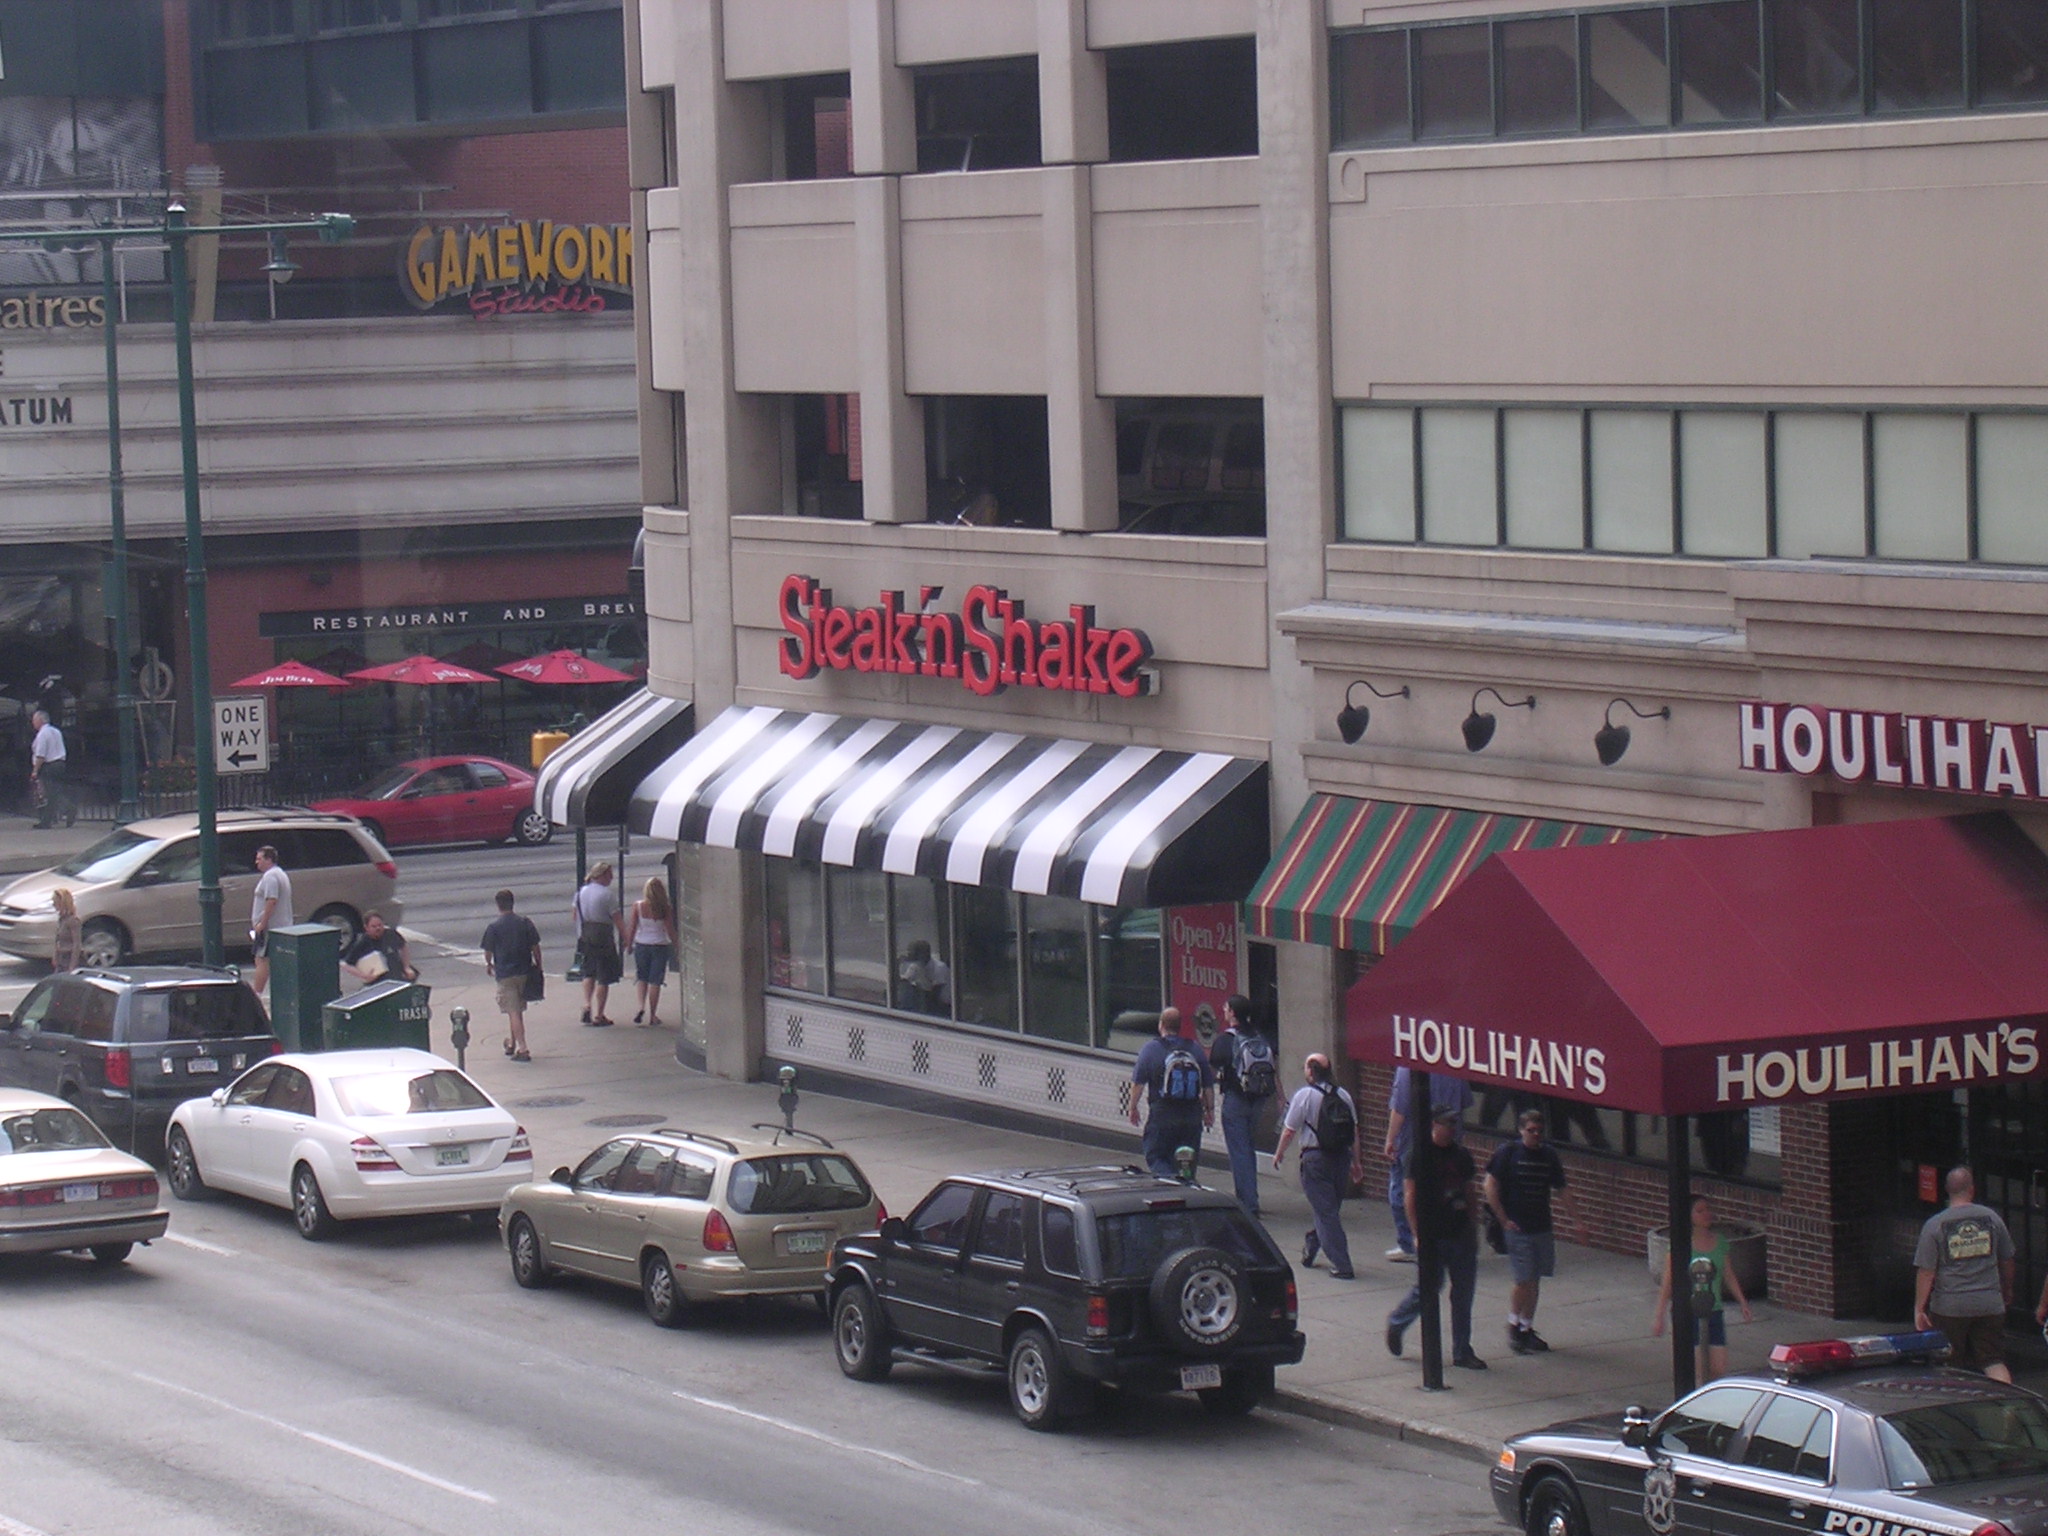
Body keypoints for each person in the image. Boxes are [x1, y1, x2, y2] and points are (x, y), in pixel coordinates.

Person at [1387, 1108, 1486, 1369]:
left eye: (1455, 1123)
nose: (1452, 1128)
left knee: (1463, 1294)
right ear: (1434, 1125)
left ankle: (1462, 1351)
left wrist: (1473, 1225)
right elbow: (1410, 1195)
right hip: (1434, 1235)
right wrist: (1417, 1234)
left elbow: (1469, 1190)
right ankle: (1397, 1323)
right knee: (1428, 1289)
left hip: (1460, 1233)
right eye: (1447, 1123)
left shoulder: (1461, 1155)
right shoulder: (1420, 1155)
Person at [1484, 1108, 1585, 1354]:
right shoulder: (1508, 1153)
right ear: (1521, 1130)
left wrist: (1577, 1221)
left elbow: (1562, 1189)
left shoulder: (1548, 1156)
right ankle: (1513, 1324)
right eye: (1531, 1131)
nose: (1536, 1135)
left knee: (1535, 1279)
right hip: (1517, 1227)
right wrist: (1503, 1218)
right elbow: (1490, 1184)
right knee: (1523, 1279)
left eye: (1539, 1131)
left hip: (1541, 1226)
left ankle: (1526, 1327)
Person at [1914, 1165, 2015, 1382]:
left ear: (1947, 1191)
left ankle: (1954, 1409)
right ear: (1972, 1189)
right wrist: (2007, 1290)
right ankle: (2007, 1408)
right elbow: (2007, 1259)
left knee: (1948, 1363)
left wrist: (1919, 1308)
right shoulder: (1992, 1219)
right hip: (1989, 1303)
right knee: (1993, 1360)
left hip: (1950, 1308)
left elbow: (1926, 1272)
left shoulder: (1935, 1225)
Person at [1273, 1053, 1363, 1281]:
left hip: (1315, 1161)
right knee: (1328, 1210)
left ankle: (1343, 1265)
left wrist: (1279, 1153)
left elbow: (1289, 1130)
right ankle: (1312, 1246)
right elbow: (1354, 1133)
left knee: (1326, 1213)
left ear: (1311, 1072)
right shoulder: (1344, 1095)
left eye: (1305, 1067)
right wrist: (1356, 1162)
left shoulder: (1304, 1096)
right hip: (1340, 1159)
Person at [1653, 1195, 1754, 1383]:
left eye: (1708, 1209)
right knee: (1698, 1370)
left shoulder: (1720, 1241)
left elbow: (1728, 1274)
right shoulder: (1680, 1244)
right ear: (1689, 1216)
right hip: (1688, 1311)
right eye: (1700, 1211)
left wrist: (1742, 1302)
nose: (1707, 1214)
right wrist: (1660, 1315)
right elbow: (1668, 1280)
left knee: (1718, 1368)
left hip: (1714, 1309)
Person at [1383, 1067, 1474, 1263]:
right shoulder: (1454, 1065)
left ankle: (1410, 1242)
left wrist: (1390, 1138)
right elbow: (1465, 1102)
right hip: (1450, 1144)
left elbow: (1400, 1108)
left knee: (1402, 1191)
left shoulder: (1407, 1069)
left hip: (1412, 1140)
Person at [1126, 1007, 1214, 1179]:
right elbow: (1208, 1085)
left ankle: (1171, 1183)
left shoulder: (1151, 1049)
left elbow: (1138, 1083)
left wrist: (1132, 1108)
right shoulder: (1194, 1048)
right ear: (1180, 1026)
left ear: (1161, 1025)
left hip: (1163, 1113)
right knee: (1187, 1160)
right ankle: (1187, 1186)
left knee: (1156, 1155)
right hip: (1191, 1114)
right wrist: (1209, 1111)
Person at [1209, 994, 1275, 1215]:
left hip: (1236, 1100)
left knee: (1240, 1151)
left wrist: (1204, 1101)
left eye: (1227, 1008)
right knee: (1247, 1147)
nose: (1224, 1011)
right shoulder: (1259, 1037)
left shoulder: (1226, 1040)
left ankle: (1248, 1204)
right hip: (1258, 1100)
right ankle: (1250, 1196)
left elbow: (1212, 1070)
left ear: (1233, 1013)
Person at [481, 888, 542, 1063]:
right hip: (524, 971)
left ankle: (522, 1048)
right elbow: (535, 947)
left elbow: (488, 951)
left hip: (506, 974)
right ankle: (512, 1044)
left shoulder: (494, 927)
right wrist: (539, 965)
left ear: (498, 905)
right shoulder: (525, 923)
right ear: (512, 903)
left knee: (513, 1011)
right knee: (515, 1010)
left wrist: (489, 964)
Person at [573, 861, 626, 1027]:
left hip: (585, 937)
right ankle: (599, 1015)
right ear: (602, 875)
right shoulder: (607, 895)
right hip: (603, 938)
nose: (611, 878)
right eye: (609, 874)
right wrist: (626, 938)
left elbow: (574, 916)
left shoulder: (581, 892)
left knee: (588, 972)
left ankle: (586, 1004)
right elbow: (618, 920)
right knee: (604, 977)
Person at [629, 876, 677, 1026]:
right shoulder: (666, 908)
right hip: (660, 946)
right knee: (655, 981)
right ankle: (653, 1015)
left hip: (642, 945)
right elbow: (670, 930)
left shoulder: (638, 906)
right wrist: (677, 946)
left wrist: (629, 944)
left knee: (642, 977)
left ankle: (641, 1007)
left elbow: (632, 927)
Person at [249, 843, 293, 999]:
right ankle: (281, 993)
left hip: (270, 928)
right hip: (281, 926)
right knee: (273, 962)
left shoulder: (271, 877)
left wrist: (262, 923)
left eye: (259, 858)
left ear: (269, 859)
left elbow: (271, 900)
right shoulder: (280, 874)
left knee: (261, 960)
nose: (257, 862)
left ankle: (257, 995)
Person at [342, 910, 417, 987]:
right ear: (366, 927)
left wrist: (406, 967)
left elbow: (404, 947)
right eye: (374, 926)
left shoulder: (391, 934)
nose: (378, 928)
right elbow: (346, 965)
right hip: (378, 984)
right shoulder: (363, 943)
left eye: (380, 925)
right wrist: (364, 976)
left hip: (397, 979)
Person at [28, 708, 69, 829]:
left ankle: (49, 820)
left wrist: (35, 771)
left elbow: (41, 755)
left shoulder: (42, 734)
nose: (33, 723)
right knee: (54, 792)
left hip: (49, 765)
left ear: (40, 720)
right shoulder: (56, 731)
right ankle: (51, 818)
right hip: (60, 763)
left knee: (48, 794)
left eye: (34, 720)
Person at [897, 938, 951, 1016]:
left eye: (912, 952)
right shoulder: (915, 966)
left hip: (943, 1005)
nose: (909, 955)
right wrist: (896, 966)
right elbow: (904, 982)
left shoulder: (940, 967)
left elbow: (936, 993)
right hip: (926, 1001)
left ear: (923, 953)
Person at [50, 887, 80, 973]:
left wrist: (72, 966)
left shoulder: (73, 921)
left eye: (55, 902)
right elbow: (58, 940)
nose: (53, 905)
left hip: (68, 958)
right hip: (61, 958)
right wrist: (55, 955)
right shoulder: (61, 919)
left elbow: (77, 944)